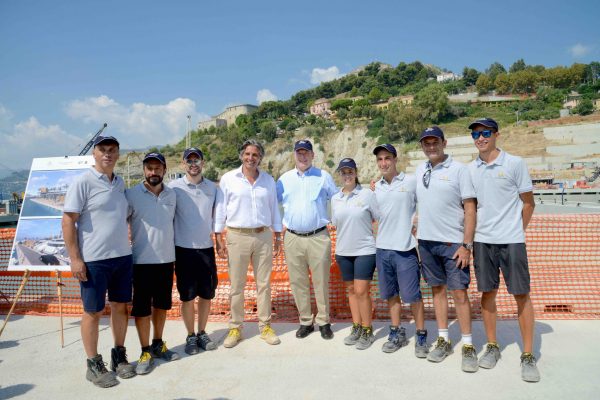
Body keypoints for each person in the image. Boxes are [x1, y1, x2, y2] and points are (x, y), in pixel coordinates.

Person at [467, 117, 539, 382]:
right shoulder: (469, 169)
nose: (480, 138)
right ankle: (493, 346)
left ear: (496, 134)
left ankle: (528, 355)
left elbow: (528, 203)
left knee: (521, 294)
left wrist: (516, 231)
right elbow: (469, 207)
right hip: (482, 241)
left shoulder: (515, 164)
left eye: (485, 133)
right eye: (476, 135)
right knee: (488, 294)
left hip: (511, 241)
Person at [62, 135, 135, 388]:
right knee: (92, 312)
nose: (108, 154)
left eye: (112, 150)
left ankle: (119, 355)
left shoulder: (120, 182)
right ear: (94, 153)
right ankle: (93, 364)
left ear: (118, 154)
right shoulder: (83, 182)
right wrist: (75, 258)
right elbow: (69, 220)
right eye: (103, 150)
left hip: (122, 258)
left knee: (120, 307)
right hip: (94, 260)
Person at [415, 127, 478, 372]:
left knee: (460, 293)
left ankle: (468, 345)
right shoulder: (420, 170)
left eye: (435, 142)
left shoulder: (460, 170)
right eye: (426, 143)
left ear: (444, 142)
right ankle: (443, 339)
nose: (431, 146)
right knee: (438, 291)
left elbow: (470, 209)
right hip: (427, 242)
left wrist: (466, 245)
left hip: (454, 244)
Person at [215, 139, 283, 348]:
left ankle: (265, 326)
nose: (251, 158)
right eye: (247, 154)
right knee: (237, 286)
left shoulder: (268, 181)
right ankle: (235, 328)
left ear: (260, 158)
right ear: (241, 156)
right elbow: (220, 208)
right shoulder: (228, 179)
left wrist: (278, 235)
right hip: (237, 236)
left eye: (255, 155)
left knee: (264, 284)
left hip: (263, 236)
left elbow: (274, 209)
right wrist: (218, 235)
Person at [276, 139, 338, 340]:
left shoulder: (324, 176)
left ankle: (324, 322)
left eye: (306, 153)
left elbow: (338, 199)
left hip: (318, 236)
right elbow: (269, 203)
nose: (302, 156)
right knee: (298, 282)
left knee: (321, 281)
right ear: (294, 155)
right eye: (299, 153)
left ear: (313, 155)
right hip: (292, 237)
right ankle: (305, 321)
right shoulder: (284, 179)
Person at [372, 144, 429, 356]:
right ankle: (396, 332)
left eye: (387, 158)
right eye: (380, 159)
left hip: (406, 249)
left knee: (413, 296)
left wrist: (418, 223)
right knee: (391, 295)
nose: (384, 163)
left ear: (395, 159)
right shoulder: (375, 187)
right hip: (382, 249)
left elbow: (427, 203)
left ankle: (421, 335)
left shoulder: (411, 181)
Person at [126, 152, 179, 375]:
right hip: (141, 262)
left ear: (164, 170)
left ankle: (158, 342)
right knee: (141, 309)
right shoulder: (131, 195)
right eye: (149, 168)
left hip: (166, 261)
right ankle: (145, 350)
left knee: (161, 306)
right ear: (144, 170)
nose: (153, 172)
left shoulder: (172, 195)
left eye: (158, 168)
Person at [169, 147, 220, 355]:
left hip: (206, 250)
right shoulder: (173, 188)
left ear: (203, 163)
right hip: (183, 250)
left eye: (196, 160)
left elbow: (219, 216)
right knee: (187, 297)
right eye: (189, 161)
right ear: (183, 164)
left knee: (207, 295)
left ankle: (201, 332)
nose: (193, 164)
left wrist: (219, 240)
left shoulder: (213, 188)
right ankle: (190, 335)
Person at [331, 158, 379, 350]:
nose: (347, 175)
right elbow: (336, 223)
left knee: (361, 291)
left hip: (365, 250)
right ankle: (357, 326)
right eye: (343, 172)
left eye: (350, 172)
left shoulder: (367, 194)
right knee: (351, 291)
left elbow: (378, 217)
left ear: (356, 173)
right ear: (340, 175)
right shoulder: (335, 198)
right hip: (343, 251)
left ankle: (367, 329)